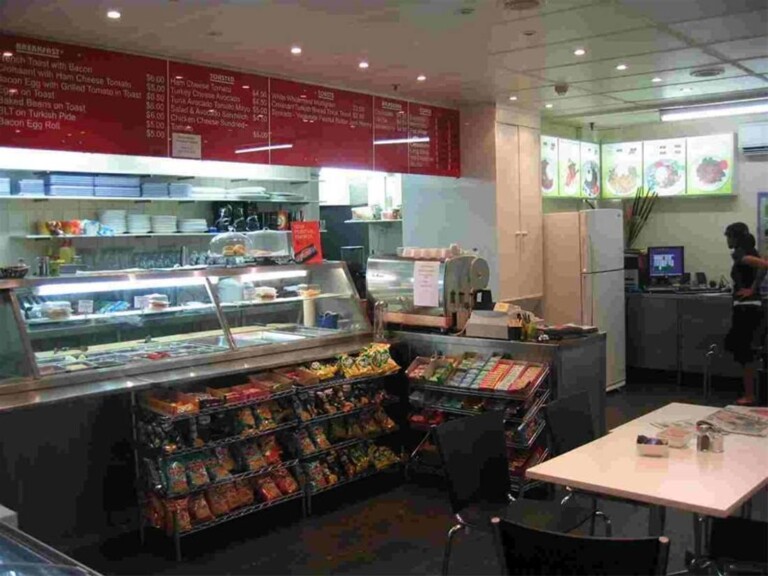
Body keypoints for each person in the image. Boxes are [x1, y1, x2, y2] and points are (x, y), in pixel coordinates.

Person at [724, 223, 767, 405]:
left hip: (746, 308)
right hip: (753, 305)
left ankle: (749, 395)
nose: (727, 240)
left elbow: (764, 265)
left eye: (728, 236)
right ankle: (750, 393)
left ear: (735, 238)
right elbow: (762, 268)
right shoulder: (752, 251)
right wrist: (754, 288)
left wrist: (750, 290)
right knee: (746, 351)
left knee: (745, 354)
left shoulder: (739, 254)